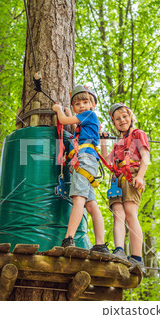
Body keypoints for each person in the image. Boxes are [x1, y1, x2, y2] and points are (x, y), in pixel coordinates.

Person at [52, 85, 109, 253]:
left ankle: (69, 238)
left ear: (93, 105)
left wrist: (58, 110)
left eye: (85, 102)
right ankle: (100, 244)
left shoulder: (89, 115)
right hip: (87, 161)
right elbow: (75, 126)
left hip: (85, 160)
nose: (82, 106)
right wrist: (70, 114)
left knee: (78, 199)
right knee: (91, 205)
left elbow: (63, 121)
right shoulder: (86, 121)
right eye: (78, 104)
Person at [100, 103, 150, 273]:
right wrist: (103, 141)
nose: (122, 120)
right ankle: (119, 250)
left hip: (132, 175)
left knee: (130, 214)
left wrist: (140, 176)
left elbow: (146, 156)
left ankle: (137, 258)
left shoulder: (138, 134)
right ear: (114, 123)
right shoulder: (118, 143)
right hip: (117, 179)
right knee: (118, 215)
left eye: (124, 117)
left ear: (130, 118)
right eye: (117, 119)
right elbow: (107, 160)